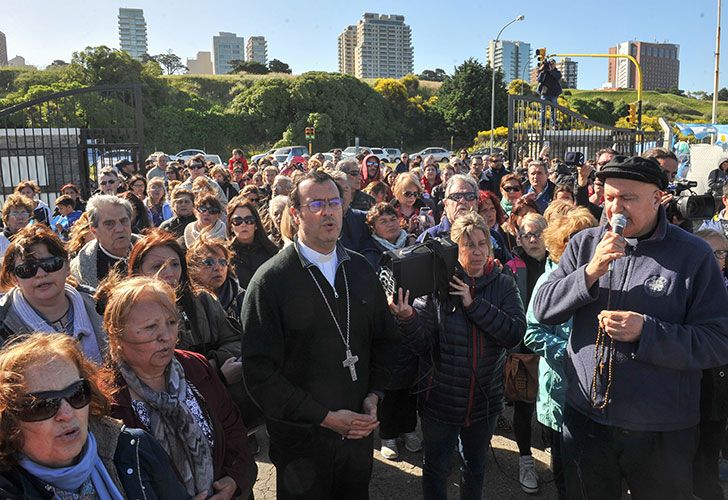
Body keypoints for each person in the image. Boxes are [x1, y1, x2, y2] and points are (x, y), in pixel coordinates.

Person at [532, 155, 728, 499]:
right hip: (588, 421)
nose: (615, 209)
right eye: (608, 198)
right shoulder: (584, 244)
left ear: (657, 198)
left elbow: (717, 340)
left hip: (661, 430)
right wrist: (589, 273)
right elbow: (544, 308)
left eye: (628, 198)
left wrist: (647, 332)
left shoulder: (693, 255)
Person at [241, 170, 398, 499]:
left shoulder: (360, 269)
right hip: (302, 445)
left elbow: (386, 341)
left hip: (356, 437)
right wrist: (325, 418)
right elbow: (259, 373)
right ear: (296, 213)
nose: (328, 211)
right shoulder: (270, 281)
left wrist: (375, 395)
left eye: (334, 202)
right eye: (317, 204)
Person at [389, 212, 525, 500]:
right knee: (436, 468)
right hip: (441, 403)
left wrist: (473, 304)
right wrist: (408, 318)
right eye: (467, 245)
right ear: (455, 250)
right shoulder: (436, 287)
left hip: (484, 404)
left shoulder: (503, 284)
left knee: (474, 467)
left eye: (481, 244)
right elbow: (422, 346)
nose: (476, 252)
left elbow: (514, 333)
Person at [105, 276, 256, 498]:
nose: (166, 336)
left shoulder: (195, 367)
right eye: (150, 327)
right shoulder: (108, 400)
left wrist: (234, 479)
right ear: (116, 334)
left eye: (172, 323)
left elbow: (233, 429)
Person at [0, 333, 189, 499]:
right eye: (42, 405)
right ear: (9, 420)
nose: (66, 414)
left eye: (76, 394)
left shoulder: (137, 448)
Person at [523, 207, 598, 500]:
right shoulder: (549, 282)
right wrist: (570, 355)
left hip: (599, 394)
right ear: (559, 244)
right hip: (563, 392)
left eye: (586, 237)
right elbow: (532, 332)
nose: (581, 245)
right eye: (572, 239)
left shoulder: (604, 275)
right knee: (567, 476)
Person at [0, 225, 107, 362]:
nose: (41, 274)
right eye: (27, 269)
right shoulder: (3, 321)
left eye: (50, 264)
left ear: (67, 266)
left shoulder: (101, 305)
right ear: (15, 278)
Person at [363, 203, 420, 458]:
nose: (390, 223)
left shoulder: (413, 245)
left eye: (392, 218)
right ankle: (388, 435)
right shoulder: (368, 254)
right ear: (373, 227)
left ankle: (408, 429)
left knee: (410, 383)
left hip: (412, 320)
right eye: (383, 220)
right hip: (384, 326)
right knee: (387, 384)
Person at [504, 213, 548, 494]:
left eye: (537, 233)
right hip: (524, 347)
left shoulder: (560, 261)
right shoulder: (511, 266)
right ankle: (525, 458)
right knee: (523, 406)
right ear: (518, 238)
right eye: (526, 234)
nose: (532, 239)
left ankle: (558, 449)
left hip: (555, 342)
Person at [691, 229, 728, 500]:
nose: (717, 259)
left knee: (707, 461)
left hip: (717, 393)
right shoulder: (681, 288)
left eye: (722, 253)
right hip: (686, 391)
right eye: (710, 253)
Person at [70, 195, 140, 288]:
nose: (119, 229)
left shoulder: (151, 251)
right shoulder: (79, 269)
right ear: (94, 231)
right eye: (109, 224)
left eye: (124, 221)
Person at [187, 236, 245, 323]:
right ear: (192, 269)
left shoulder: (242, 297)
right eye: (209, 262)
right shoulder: (187, 303)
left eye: (223, 262)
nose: (218, 268)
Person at [227, 197, 278, 289]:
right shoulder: (224, 255)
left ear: (256, 225)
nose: (243, 224)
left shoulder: (271, 252)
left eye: (249, 220)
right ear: (231, 226)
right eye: (237, 221)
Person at [418, 174, 479, 243]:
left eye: (469, 196)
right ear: (446, 204)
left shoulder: (488, 237)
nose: (463, 201)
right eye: (456, 197)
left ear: (476, 203)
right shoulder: (429, 238)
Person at [391, 173, 433, 238]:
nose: (412, 197)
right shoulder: (390, 212)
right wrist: (409, 230)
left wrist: (430, 226)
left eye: (415, 194)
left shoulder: (422, 209)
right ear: (398, 192)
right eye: (408, 194)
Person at [0, 194, 34, 260]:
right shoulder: (1, 239)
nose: (20, 217)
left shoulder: (35, 238)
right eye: (15, 213)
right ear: (7, 218)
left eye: (23, 212)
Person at [537, 59, 562, 128]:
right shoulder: (544, 72)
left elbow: (558, 77)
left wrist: (551, 70)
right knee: (543, 110)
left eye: (553, 64)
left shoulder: (557, 72)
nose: (552, 65)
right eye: (550, 64)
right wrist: (543, 70)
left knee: (553, 109)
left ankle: (554, 124)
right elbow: (539, 80)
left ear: (555, 65)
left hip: (553, 94)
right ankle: (541, 125)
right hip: (545, 93)